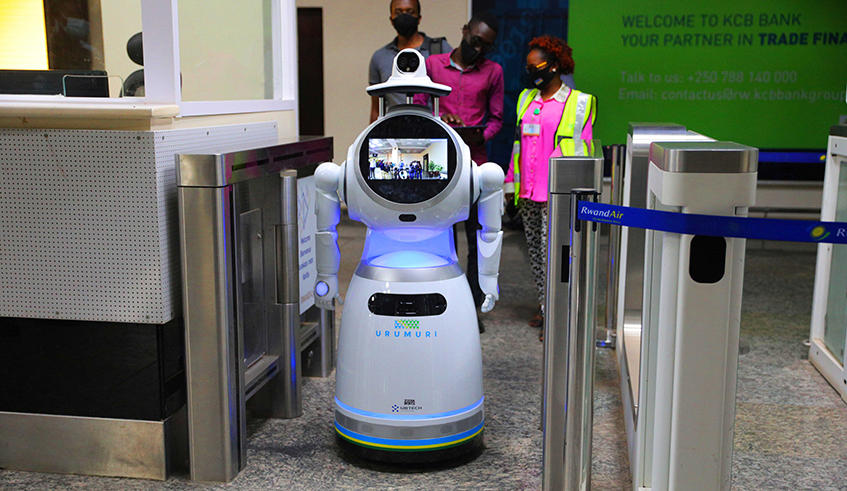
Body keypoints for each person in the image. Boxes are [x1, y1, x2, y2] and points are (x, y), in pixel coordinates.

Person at [414, 11, 504, 333]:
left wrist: (481, 135)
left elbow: (497, 119)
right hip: (440, 163)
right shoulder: (433, 65)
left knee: (478, 238)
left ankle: (470, 307)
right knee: (443, 237)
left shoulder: (493, 71)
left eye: (486, 46)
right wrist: (441, 120)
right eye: (475, 41)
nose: (478, 50)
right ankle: (445, 301)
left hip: (474, 165)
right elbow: (419, 106)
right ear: (464, 31)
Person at [504, 36, 596, 339]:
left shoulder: (579, 102)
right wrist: (510, 182)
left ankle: (558, 317)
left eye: (538, 66)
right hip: (528, 191)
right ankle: (546, 307)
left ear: (555, 65)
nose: (532, 72)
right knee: (535, 253)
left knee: (555, 256)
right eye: (528, 67)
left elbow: (582, 150)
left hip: (557, 192)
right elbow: (518, 143)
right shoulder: (526, 99)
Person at [369, 0, 451, 123]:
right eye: (398, 12)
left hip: (433, 129)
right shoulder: (380, 57)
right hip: (394, 130)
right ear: (391, 19)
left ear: (419, 18)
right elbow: (376, 108)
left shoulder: (439, 49)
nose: (404, 16)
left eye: (410, 12)